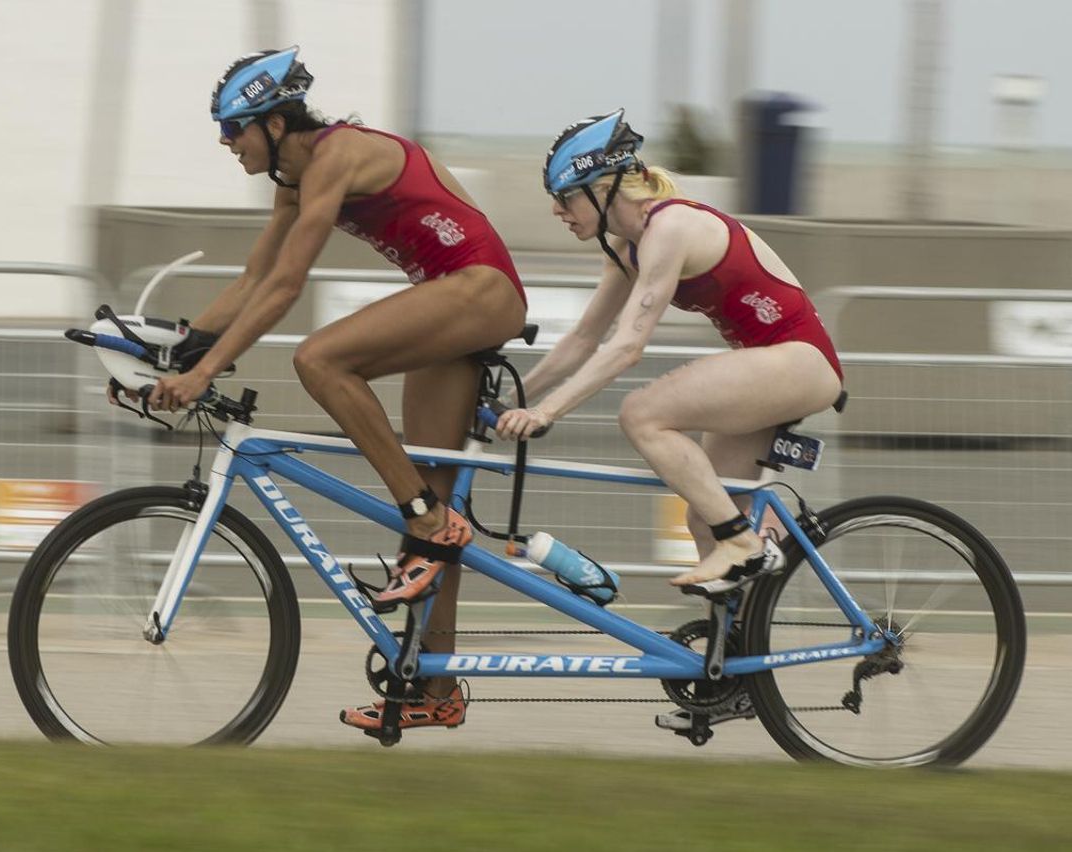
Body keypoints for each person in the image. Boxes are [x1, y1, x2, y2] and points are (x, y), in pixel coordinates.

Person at [149, 46, 528, 733]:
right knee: (434, 500)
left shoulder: (336, 155)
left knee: (321, 360)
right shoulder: (292, 180)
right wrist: (174, 355)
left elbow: (287, 287)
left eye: (233, 128)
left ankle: (421, 516)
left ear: (274, 123)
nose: (225, 142)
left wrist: (204, 373)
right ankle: (437, 686)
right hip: (452, 297)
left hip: (479, 289)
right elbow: (253, 281)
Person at [495, 110, 843, 731]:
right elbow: (583, 339)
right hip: (770, 364)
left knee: (643, 413)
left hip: (798, 360)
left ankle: (744, 543)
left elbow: (628, 346)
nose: (557, 211)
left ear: (603, 188)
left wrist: (546, 412)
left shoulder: (670, 226)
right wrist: (511, 397)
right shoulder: (627, 249)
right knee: (703, 513)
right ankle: (734, 675)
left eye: (565, 197)